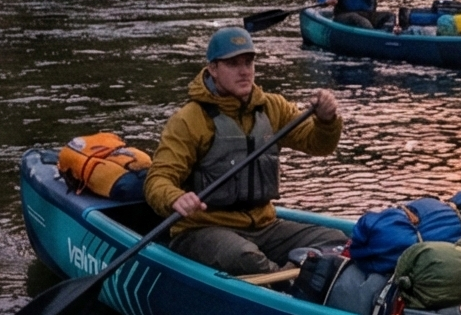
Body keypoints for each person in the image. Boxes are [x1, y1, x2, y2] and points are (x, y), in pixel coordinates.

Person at [146, 27, 350, 275]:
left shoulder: (273, 108)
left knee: (337, 241)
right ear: (213, 69)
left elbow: (319, 145)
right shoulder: (189, 120)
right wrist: (175, 197)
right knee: (246, 258)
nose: (244, 71)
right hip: (202, 230)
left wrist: (327, 121)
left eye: (248, 62)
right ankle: (287, 282)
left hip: (264, 226)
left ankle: (297, 277)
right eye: (233, 64)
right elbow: (157, 180)